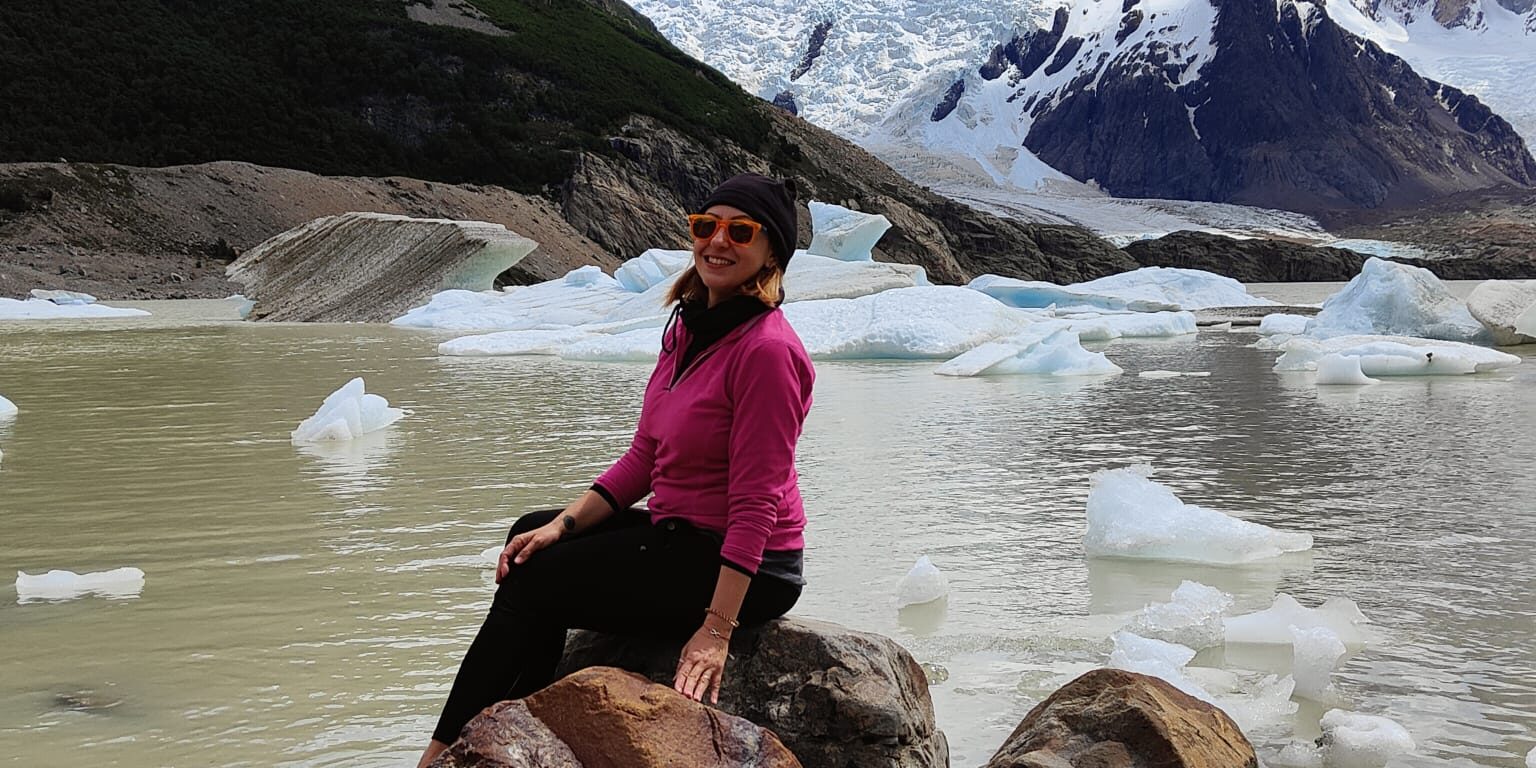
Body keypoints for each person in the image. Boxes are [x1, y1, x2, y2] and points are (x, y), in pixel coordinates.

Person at [416, 173, 815, 767]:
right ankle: (518, 723)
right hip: (681, 532)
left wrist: (716, 630)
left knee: (534, 584)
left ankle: (443, 754)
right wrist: (562, 526)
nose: (717, 242)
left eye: (741, 230)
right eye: (705, 226)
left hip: (748, 569)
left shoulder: (767, 352)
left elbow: (757, 501)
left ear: (771, 252)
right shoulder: (687, 328)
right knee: (530, 535)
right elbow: (646, 458)